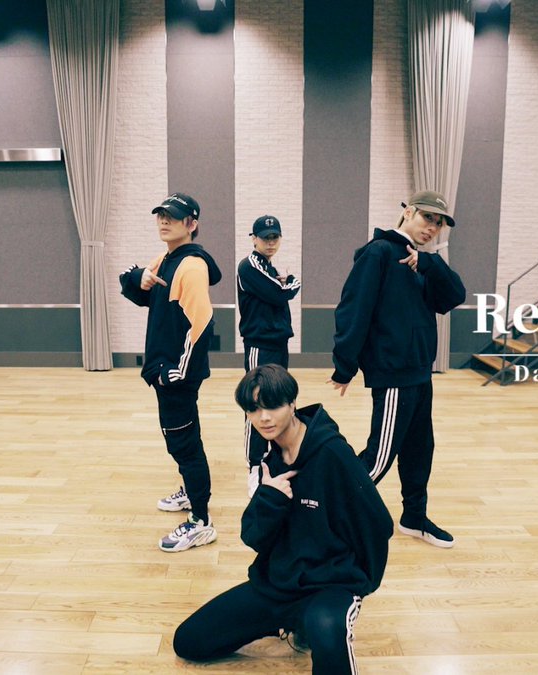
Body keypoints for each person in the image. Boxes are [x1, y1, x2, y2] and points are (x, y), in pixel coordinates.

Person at [174, 364, 392, 674]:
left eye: (272, 406)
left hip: (330, 586)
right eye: (253, 409)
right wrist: (270, 497)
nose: (263, 417)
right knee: (189, 641)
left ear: (292, 404)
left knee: (327, 633)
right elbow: (253, 537)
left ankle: (309, 622)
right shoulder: (269, 460)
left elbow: (378, 524)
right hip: (278, 585)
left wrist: (357, 583)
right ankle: (287, 622)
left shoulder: (333, 455)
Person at [328, 190, 466, 549]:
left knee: (420, 450)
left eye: (439, 223)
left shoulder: (422, 261)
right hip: (394, 374)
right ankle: (328, 516)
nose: (432, 227)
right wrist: (345, 365)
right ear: (408, 212)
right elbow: (353, 310)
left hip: (420, 371)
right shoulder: (378, 253)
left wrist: (429, 263)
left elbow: (454, 296)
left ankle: (414, 518)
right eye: (427, 218)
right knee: (380, 456)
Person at [119, 192, 222, 552]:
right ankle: (190, 492)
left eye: (173, 217)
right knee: (177, 440)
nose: (164, 221)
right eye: (161, 215)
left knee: (186, 444)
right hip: (164, 369)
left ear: (191, 224)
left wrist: (176, 372)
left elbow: (202, 324)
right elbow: (137, 287)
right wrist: (139, 276)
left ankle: (201, 521)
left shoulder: (190, 266)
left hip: (175, 374)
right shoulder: (166, 258)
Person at [237, 215, 301, 496]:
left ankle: (271, 460)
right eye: (265, 237)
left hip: (277, 343)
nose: (270, 242)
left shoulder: (268, 267)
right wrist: (292, 282)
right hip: (259, 346)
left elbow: (277, 291)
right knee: (256, 405)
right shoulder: (249, 265)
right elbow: (280, 293)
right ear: (254, 239)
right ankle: (254, 467)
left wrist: (283, 283)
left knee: (276, 401)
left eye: (275, 237)